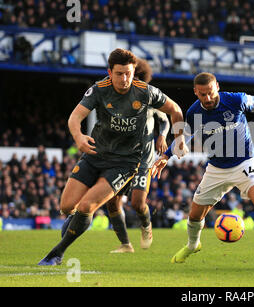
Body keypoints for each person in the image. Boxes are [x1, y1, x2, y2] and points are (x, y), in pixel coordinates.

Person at [38, 48, 187, 265]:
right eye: (119, 73)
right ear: (110, 72)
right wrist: (79, 137)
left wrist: (178, 138)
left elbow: (175, 110)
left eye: (128, 73)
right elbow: (75, 117)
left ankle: (56, 254)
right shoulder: (99, 89)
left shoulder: (145, 92)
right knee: (66, 206)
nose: (125, 78)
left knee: (87, 206)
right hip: (95, 154)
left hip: (126, 163)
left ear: (133, 71)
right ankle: (78, 221)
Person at [151, 72, 254, 271]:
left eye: (211, 93)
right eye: (203, 94)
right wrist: (166, 156)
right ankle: (193, 245)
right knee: (195, 215)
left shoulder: (237, 100)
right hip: (216, 168)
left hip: (245, 162)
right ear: (196, 92)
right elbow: (187, 134)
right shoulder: (194, 111)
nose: (208, 98)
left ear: (218, 87)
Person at [104, 58, 170, 253]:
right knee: (112, 202)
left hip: (143, 160)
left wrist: (162, 136)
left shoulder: (150, 97)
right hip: (120, 159)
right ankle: (126, 244)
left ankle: (146, 226)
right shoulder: (117, 99)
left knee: (138, 203)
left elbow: (165, 120)